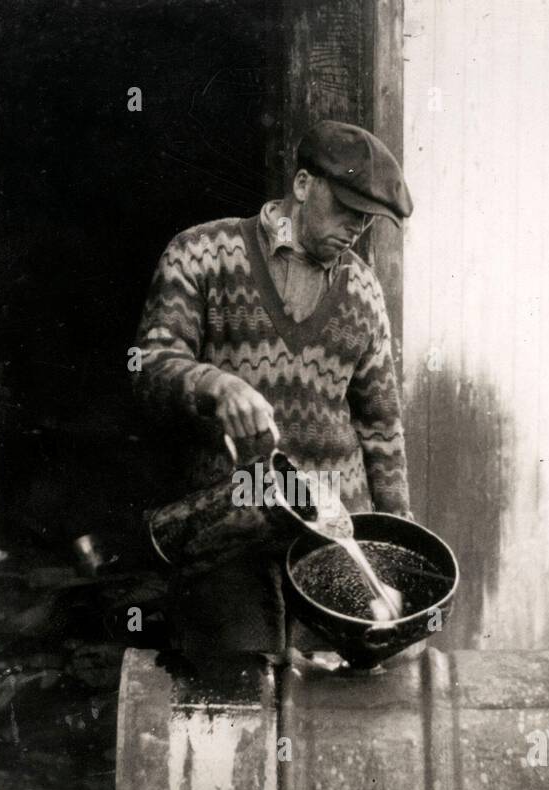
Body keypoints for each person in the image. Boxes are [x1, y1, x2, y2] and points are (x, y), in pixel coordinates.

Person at [132, 119, 414, 652]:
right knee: (231, 712)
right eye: (347, 208)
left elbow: (380, 428)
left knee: (330, 719)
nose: (357, 226)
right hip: (226, 541)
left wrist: (394, 553)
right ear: (304, 186)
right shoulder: (200, 254)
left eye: (367, 217)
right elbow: (147, 365)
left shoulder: (363, 291)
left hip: (332, 554)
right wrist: (213, 385)